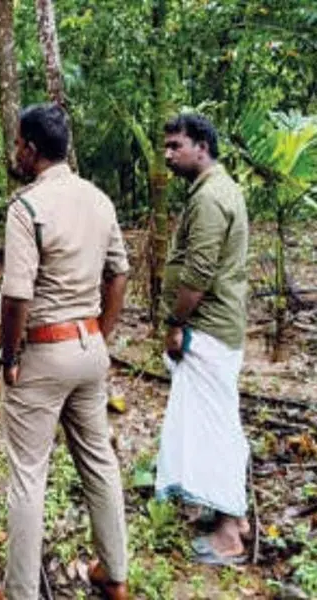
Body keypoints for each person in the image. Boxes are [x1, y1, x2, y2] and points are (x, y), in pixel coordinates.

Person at [0, 104, 129, 600]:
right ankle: (114, 575)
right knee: (99, 461)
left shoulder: (26, 208)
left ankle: (20, 591)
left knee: (29, 476)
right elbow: (120, 271)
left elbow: (17, 296)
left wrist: (10, 357)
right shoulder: (99, 200)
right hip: (89, 349)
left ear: (31, 149)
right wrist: (101, 333)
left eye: (17, 144)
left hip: (44, 353)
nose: (16, 151)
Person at [155, 113, 250, 565]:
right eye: (167, 147)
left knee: (215, 430)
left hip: (208, 327)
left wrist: (176, 322)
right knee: (218, 422)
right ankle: (232, 514)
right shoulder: (216, 190)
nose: (169, 155)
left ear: (202, 146)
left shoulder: (211, 198)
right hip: (217, 326)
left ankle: (230, 532)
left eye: (176, 146)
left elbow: (198, 273)